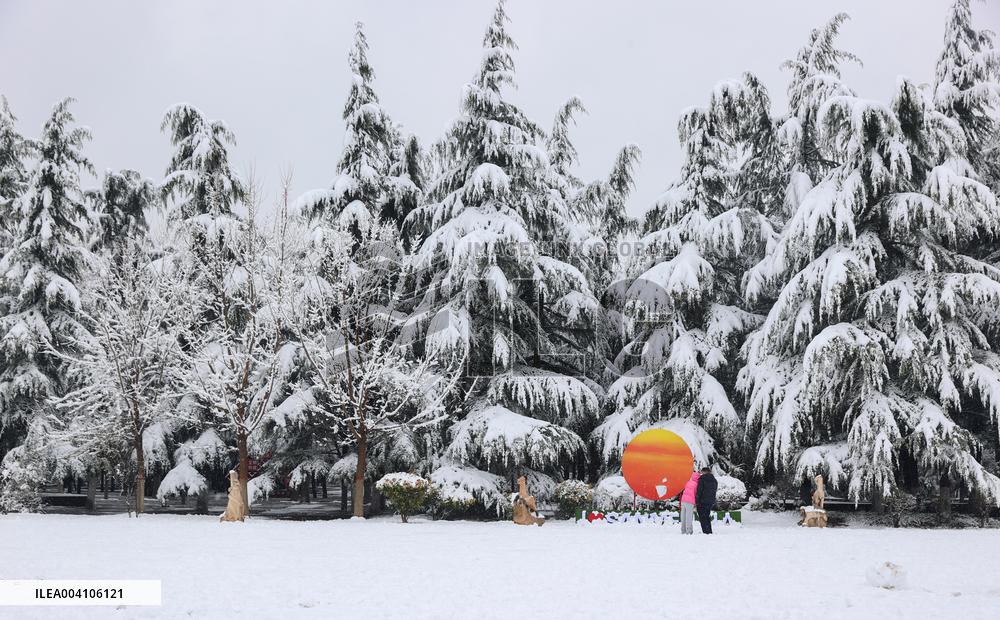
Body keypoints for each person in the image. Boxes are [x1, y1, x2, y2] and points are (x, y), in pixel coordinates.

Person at [695, 466, 718, 534]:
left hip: (702, 501)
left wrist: (697, 501)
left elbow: (699, 491)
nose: (701, 473)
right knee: (707, 516)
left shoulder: (702, 479)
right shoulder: (714, 480)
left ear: (704, 472)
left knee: (702, 517)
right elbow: (714, 490)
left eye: (702, 472)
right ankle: (709, 530)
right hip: (710, 501)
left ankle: (705, 531)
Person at [679, 470, 701, 535]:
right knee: (689, 516)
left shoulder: (688, 482)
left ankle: (683, 530)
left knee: (683, 515)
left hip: (683, 500)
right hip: (690, 502)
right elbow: (696, 494)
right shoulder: (696, 484)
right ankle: (689, 531)